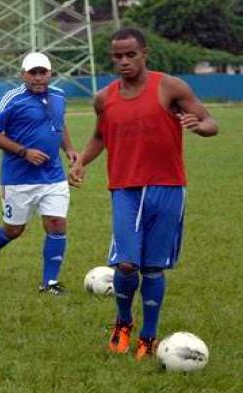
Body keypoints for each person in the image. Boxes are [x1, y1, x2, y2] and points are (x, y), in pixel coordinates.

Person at [69, 28, 218, 359]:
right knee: (125, 265)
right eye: (117, 56)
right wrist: (82, 161)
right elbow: (99, 136)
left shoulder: (169, 87)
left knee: (152, 269)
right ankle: (123, 323)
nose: (123, 61)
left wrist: (199, 126)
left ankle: (148, 337)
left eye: (130, 55)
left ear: (144, 53)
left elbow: (211, 122)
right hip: (124, 189)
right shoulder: (104, 97)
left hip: (167, 188)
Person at [0, 52, 78, 295]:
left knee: (56, 224)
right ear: (23, 75)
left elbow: (59, 124)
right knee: (13, 230)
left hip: (53, 176)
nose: (39, 78)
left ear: (50, 74)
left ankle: (49, 283)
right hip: (18, 178)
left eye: (43, 72)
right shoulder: (12, 99)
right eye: (33, 73)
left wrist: (70, 149)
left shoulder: (59, 97)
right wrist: (24, 152)